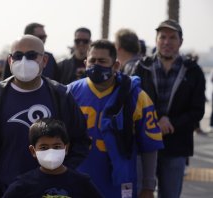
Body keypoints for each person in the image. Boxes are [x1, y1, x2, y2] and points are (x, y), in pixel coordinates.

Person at [0, 35, 90, 195]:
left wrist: (62, 174)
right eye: (18, 56)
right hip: (4, 191)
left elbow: (80, 141)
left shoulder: (61, 96)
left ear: (44, 61)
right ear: (10, 61)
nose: (24, 61)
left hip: (51, 192)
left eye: (31, 55)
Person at [68, 39, 164, 198]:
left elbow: (150, 145)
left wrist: (148, 186)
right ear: (85, 63)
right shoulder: (70, 93)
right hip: (78, 178)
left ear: (116, 66)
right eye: (92, 61)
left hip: (119, 182)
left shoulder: (136, 96)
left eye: (102, 61)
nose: (96, 65)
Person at [133, 19, 206, 198]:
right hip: (144, 144)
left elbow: (197, 110)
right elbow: (132, 103)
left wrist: (170, 122)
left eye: (172, 37)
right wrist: (155, 121)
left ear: (180, 42)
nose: (167, 42)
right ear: (156, 40)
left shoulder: (193, 71)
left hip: (176, 145)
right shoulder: (142, 67)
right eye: (162, 37)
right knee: (141, 193)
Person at [3, 118, 102, 198]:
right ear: (33, 151)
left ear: (66, 148)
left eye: (56, 147)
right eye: (44, 147)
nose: (51, 151)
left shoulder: (82, 183)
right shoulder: (22, 186)